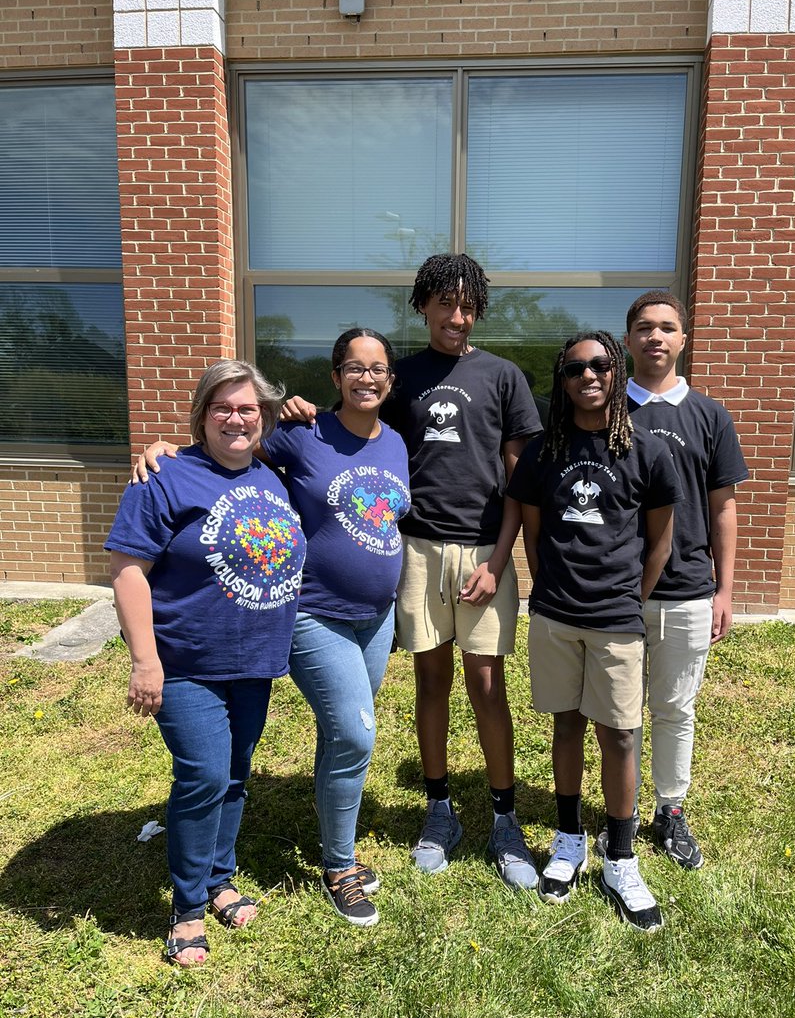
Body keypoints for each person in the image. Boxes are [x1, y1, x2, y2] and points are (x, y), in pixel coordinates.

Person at [282, 254, 543, 889]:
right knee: (431, 682)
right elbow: (356, 425)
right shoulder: (403, 380)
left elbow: (519, 479)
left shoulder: (504, 376)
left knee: (486, 684)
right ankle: (439, 810)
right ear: (423, 306)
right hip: (416, 550)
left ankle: (505, 819)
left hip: (484, 551)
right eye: (444, 304)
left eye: (467, 305)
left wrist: (501, 561)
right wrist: (295, 411)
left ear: (478, 309)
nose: (457, 316)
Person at [134, 331, 411, 928]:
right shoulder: (300, 436)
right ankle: (336, 866)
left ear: (391, 380)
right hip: (311, 615)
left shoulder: (395, 444)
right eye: (354, 368)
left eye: (379, 369)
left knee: (340, 736)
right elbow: (225, 454)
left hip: (368, 618)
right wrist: (165, 449)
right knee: (355, 735)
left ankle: (233, 876)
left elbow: (244, 460)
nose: (368, 378)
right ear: (335, 376)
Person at [107, 360, 306, 967]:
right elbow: (127, 571)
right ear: (201, 415)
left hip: (252, 659)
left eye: (248, 408)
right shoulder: (163, 477)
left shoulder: (272, 476)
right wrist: (145, 661)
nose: (236, 418)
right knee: (204, 776)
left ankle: (221, 878)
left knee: (236, 772)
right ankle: (188, 907)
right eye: (222, 407)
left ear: (264, 418)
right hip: (186, 659)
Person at [507, 331, 681, 931]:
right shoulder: (542, 452)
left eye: (601, 365)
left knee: (623, 736)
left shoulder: (648, 451)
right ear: (563, 379)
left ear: (616, 372)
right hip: (556, 616)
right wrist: (553, 589)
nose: (589, 375)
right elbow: (533, 533)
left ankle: (622, 857)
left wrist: (632, 598)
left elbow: (660, 539)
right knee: (566, 726)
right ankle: (568, 841)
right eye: (576, 367)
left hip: (617, 620)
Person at [618, 290, 748, 869]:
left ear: (683, 339)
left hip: (687, 591)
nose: (655, 337)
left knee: (673, 707)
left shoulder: (709, 415)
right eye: (644, 328)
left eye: (667, 328)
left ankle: (669, 809)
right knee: (617, 711)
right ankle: (616, 811)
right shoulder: (602, 407)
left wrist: (725, 589)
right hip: (614, 590)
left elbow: (723, 507)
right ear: (628, 340)